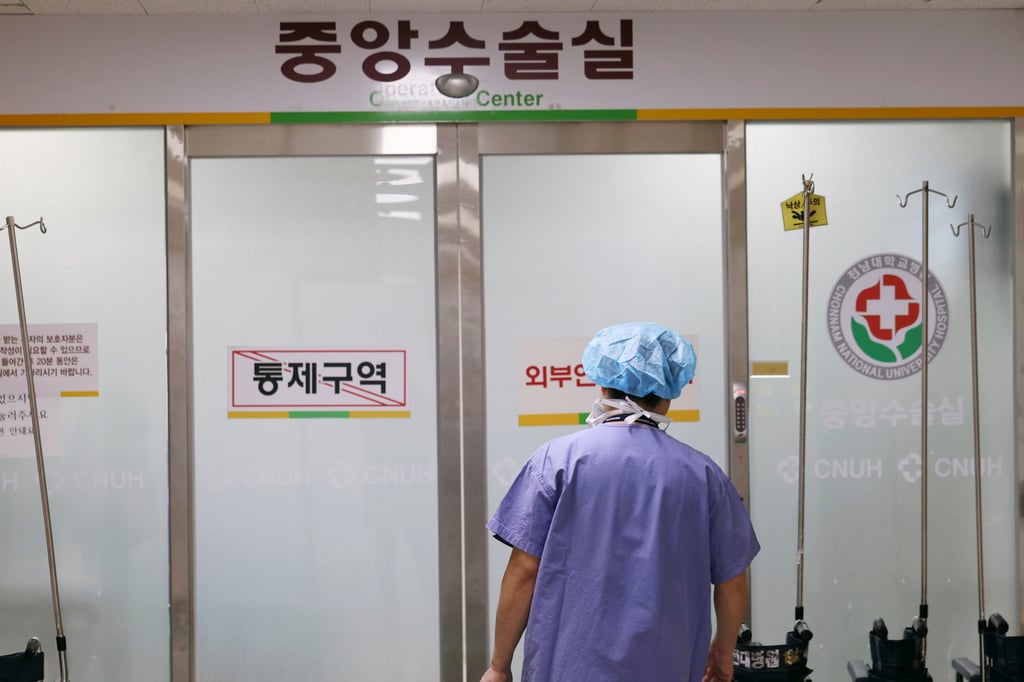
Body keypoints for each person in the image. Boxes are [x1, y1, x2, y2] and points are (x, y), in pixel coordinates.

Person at [480, 321, 760, 682]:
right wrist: (722, 655)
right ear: (671, 389)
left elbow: (524, 572)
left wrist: (499, 666)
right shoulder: (703, 475)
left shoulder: (557, 462)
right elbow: (732, 579)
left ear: (601, 382)